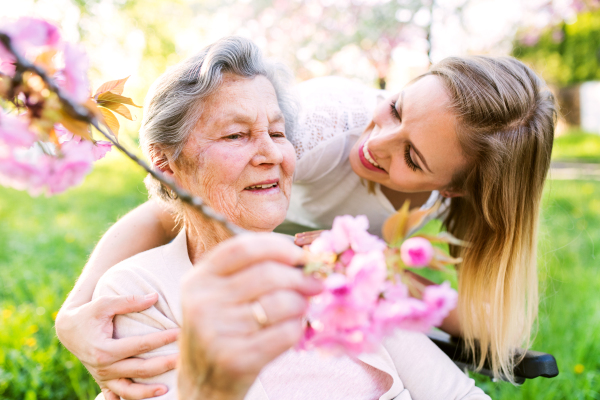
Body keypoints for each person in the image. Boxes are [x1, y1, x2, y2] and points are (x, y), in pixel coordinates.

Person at [56, 40, 556, 398]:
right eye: (396, 107)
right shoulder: (325, 124)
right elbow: (175, 203)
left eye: (414, 157)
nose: (375, 142)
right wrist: (73, 315)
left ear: (452, 186)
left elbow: (480, 342)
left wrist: (378, 272)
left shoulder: (364, 272)